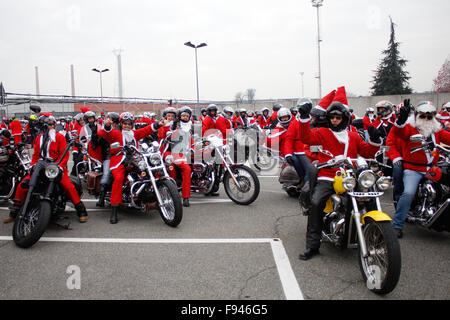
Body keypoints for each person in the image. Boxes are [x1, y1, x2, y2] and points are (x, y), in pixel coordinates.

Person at [296, 100, 382, 260]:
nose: (335, 119)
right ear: (328, 118)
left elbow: (368, 152)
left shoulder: (354, 136)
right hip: (328, 175)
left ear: (345, 118)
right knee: (316, 203)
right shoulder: (322, 132)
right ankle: (313, 245)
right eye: (332, 116)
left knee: (369, 198)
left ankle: (374, 234)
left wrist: (375, 141)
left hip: (351, 176)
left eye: (338, 116)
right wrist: (304, 117)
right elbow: (305, 137)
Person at [4, 113, 88, 224]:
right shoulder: (39, 138)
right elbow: (35, 155)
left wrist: (60, 167)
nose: (51, 127)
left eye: (52, 124)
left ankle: (81, 210)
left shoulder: (59, 137)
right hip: (40, 166)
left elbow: (65, 155)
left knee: (69, 186)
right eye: (48, 125)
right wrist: (33, 165)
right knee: (23, 185)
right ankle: (14, 213)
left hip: (55, 167)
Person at [390, 100, 450, 238]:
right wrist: (401, 120)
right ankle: (397, 225)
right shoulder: (410, 128)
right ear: (417, 116)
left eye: (430, 117)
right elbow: (398, 132)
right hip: (414, 169)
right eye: (423, 116)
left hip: (433, 168)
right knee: (409, 193)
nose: (426, 119)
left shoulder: (437, 131)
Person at [98, 112, 166, 224]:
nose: (127, 126)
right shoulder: (115, 133)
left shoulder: (134, 134)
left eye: (129, 124)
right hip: (119, 161)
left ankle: (154, 197)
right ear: (121, 124)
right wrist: (107, 125)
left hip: (134, 160)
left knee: (149, 172)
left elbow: (147, 130)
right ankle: (114, 210)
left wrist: (159, 124)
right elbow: (105, 133)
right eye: (125, 124)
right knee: (119, 178)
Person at [165, 107, 193, 207]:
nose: (185, 117)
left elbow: (194, 139)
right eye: (183, 115)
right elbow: (164, 136)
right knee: (175, 165)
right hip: (173, 151)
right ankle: (174, 189)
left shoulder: (191, 126)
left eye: (187, 116)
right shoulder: (174, 125)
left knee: (189, 169)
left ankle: (186, 196)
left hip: (186, 152)